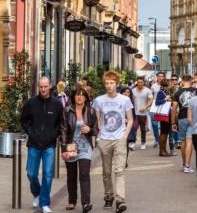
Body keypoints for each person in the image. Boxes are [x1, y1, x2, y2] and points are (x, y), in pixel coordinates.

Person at [92, 71, 134, 212]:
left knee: (120, 170)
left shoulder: (124, 100)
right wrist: (98, 137)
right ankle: (108, 196)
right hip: (104, 139)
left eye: (112, 83)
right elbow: (97, 120)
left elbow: (131, 119)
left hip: (119, 139)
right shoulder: (99, 100)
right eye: (107, 83)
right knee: (106, 172)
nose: (109, 86)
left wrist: (125, 136)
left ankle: (120, 199)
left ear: (117, 84)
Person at [21, 77, 64, 213]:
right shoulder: (31, 103)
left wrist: (54, 135)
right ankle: (37, 194)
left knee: (47, 173)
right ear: (38, 87)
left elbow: (60, 123)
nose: (43, 89)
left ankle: (44, 203)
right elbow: (23, 120)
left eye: (46, 86)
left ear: (50, 86)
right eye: (41, 87)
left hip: (49, 145)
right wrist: (31, 132)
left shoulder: (57, 104)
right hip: (34, 144)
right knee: (31, 173)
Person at [60, 86, 98, 212]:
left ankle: (86, 203)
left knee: (84, 174)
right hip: (71, 146)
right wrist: (64, 148)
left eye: (82, 95)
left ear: (86, 98)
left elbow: (96, 130)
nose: (79, 97)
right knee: (71, 176)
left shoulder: (91, 111)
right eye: (77, 94)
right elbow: (64, 130)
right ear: (73, 97)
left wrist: (90, 130)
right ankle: (72, 201)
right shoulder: (67, 110)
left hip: (85, 147)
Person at [172, 75, 197, 173]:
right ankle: (187, 165)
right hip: (193, 118)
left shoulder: (177, 93)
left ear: (182, 81)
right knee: (189, 141)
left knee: (183, 141)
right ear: (191, 81)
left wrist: (173, 122)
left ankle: (184, 164)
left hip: (181, 118)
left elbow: (174, 109)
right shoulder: (196, 91)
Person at [130, 77, 153, 151]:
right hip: (135, 113)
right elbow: (131, 100)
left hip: (143, 113)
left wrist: (145, 107)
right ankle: (132, 142)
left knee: (143, 129)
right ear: (137, 82)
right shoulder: (133, 91)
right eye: (138, 82)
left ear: (144, 83)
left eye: (141, 82)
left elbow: (150, 100)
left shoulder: (147, 91)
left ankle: (143, 142)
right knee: (134, 127)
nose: (140, 83)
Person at [150, 87, 173, 157]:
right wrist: (166, 99)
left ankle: (163, 150)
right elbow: (157, 102)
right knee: (163, 133)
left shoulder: (166, 91)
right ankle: (162, 150)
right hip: (164, 114)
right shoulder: (161, 91)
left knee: (165, 133)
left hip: (167, 114)